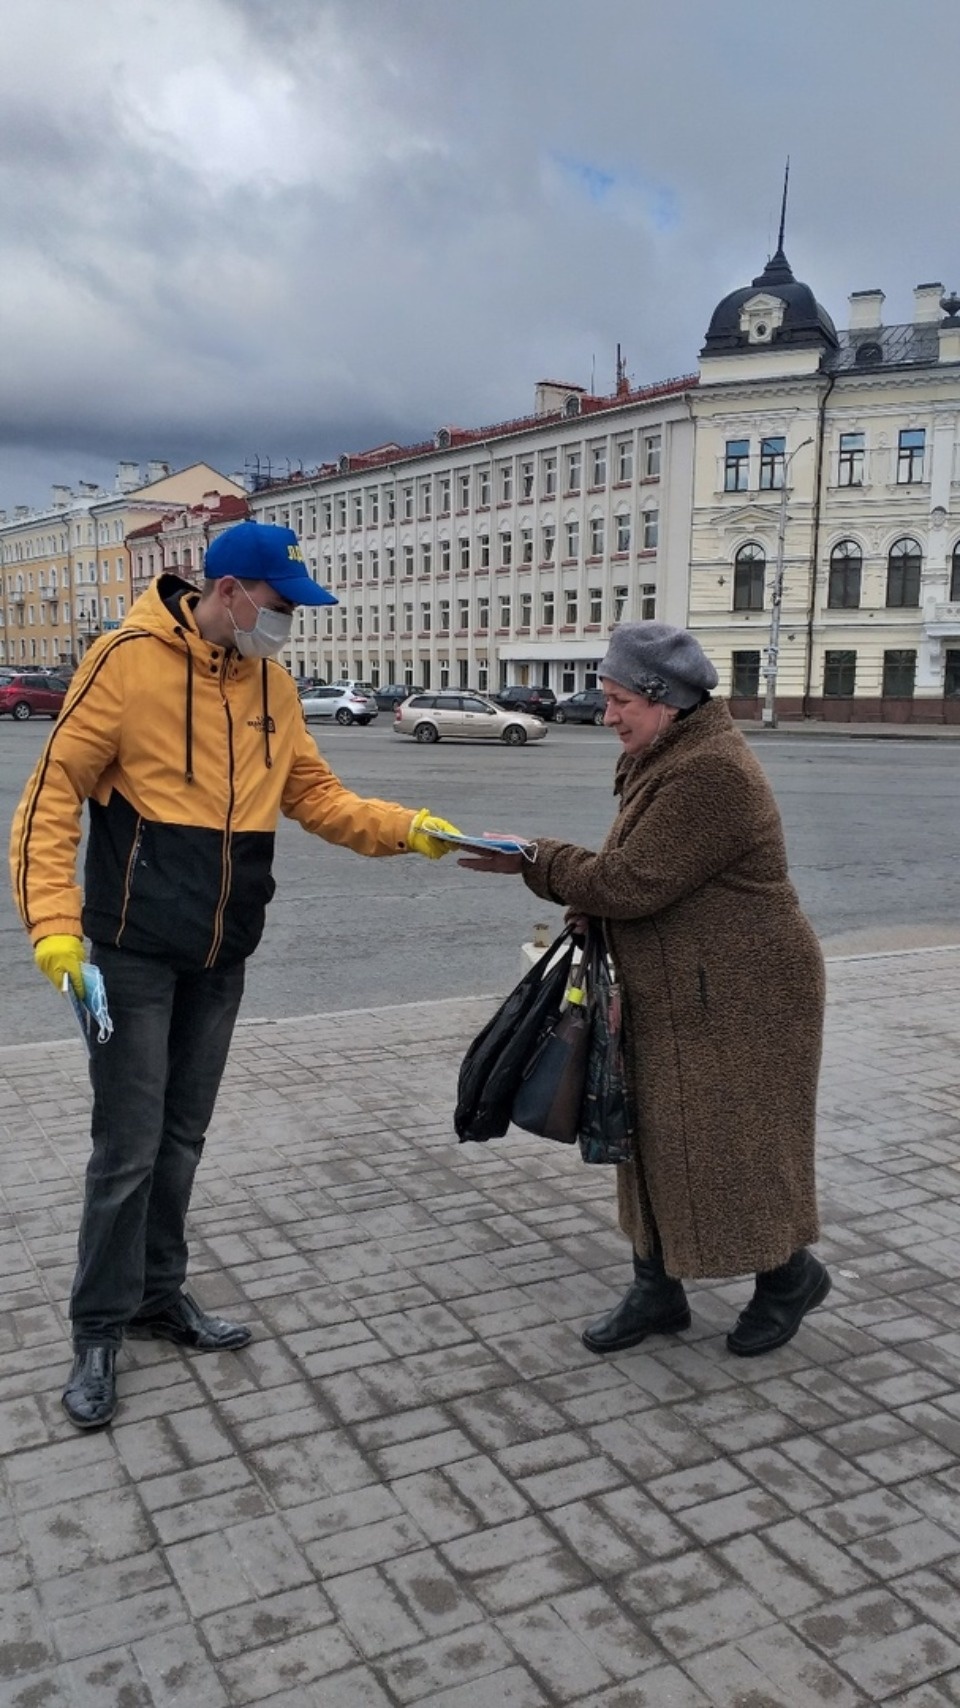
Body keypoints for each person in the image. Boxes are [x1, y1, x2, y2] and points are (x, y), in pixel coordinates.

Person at [10, 520, 460, 1430]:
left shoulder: (272, 684)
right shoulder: (124, 661)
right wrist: (55, 926)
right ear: (229, 593)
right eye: (281, 606)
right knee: (128, 1148)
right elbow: (50, 795)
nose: (287, 622)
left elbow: (316, 796)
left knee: (181, 1140)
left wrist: (409, 828)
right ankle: (97, 1328)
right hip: (131, 953)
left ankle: (157, 1295)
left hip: (222, 955)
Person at [460, 621, 830, 1360]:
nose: (608, 715)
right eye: (606, 697)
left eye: (620, 699)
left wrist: (537, 858)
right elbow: (640, 872)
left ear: (665, 699)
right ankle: (657, 1290)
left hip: (744, 994)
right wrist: (576, 884)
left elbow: (632, 882)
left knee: (737, 1147)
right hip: (679, 987)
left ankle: (789, 1277)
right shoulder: (667, 754)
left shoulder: (711, 772)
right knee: (645, 1135)